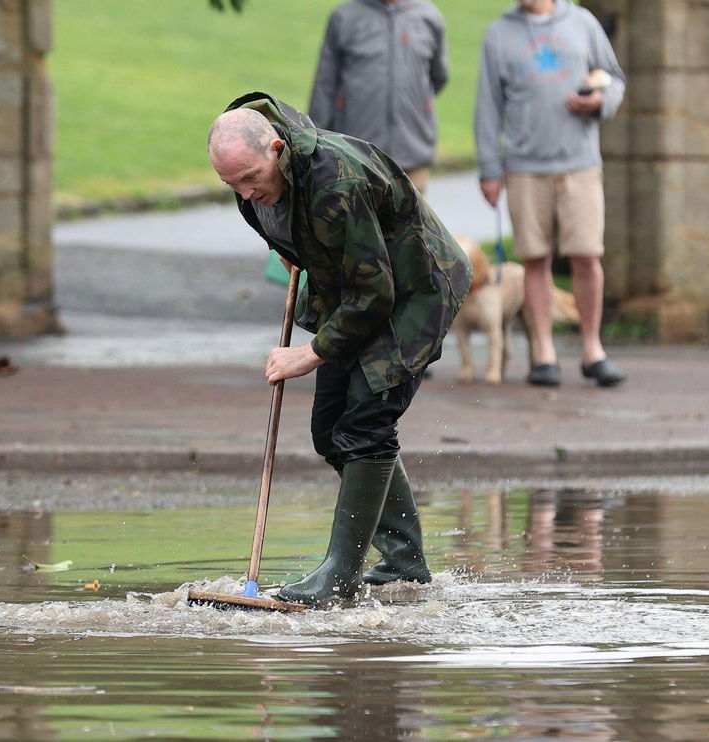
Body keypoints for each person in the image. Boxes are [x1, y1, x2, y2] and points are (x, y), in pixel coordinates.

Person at [208, 93, 470, 606]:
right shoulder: (255, 182)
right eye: (231, 184)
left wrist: (308, 355)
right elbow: (302, 244)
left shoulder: (335, 181)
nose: (245, 192)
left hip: (415, 289)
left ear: (277, 149)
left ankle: (340, 575)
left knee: (365, 424)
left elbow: (378, 293)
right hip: (351, 290)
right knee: (331, 432)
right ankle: (403, 562)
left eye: (251, 178)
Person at [474, 0, 624, 387]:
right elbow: (488, 107)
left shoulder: (583, 22)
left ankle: (593, 350)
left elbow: (614, 79)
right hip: (524, 166)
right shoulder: (498, 33)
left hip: (580, 163)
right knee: (535, 260)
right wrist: (490, 169)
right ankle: (544, 353)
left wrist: (600, 102)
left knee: (587, 257)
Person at [308, 0, 448, 195]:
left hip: (413, 154)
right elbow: (325, 87)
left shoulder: (428, 16)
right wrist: (314, 147)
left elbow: (439, 77)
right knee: (360, 225)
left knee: (412, 225)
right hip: (355, 158)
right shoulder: (344, 17)